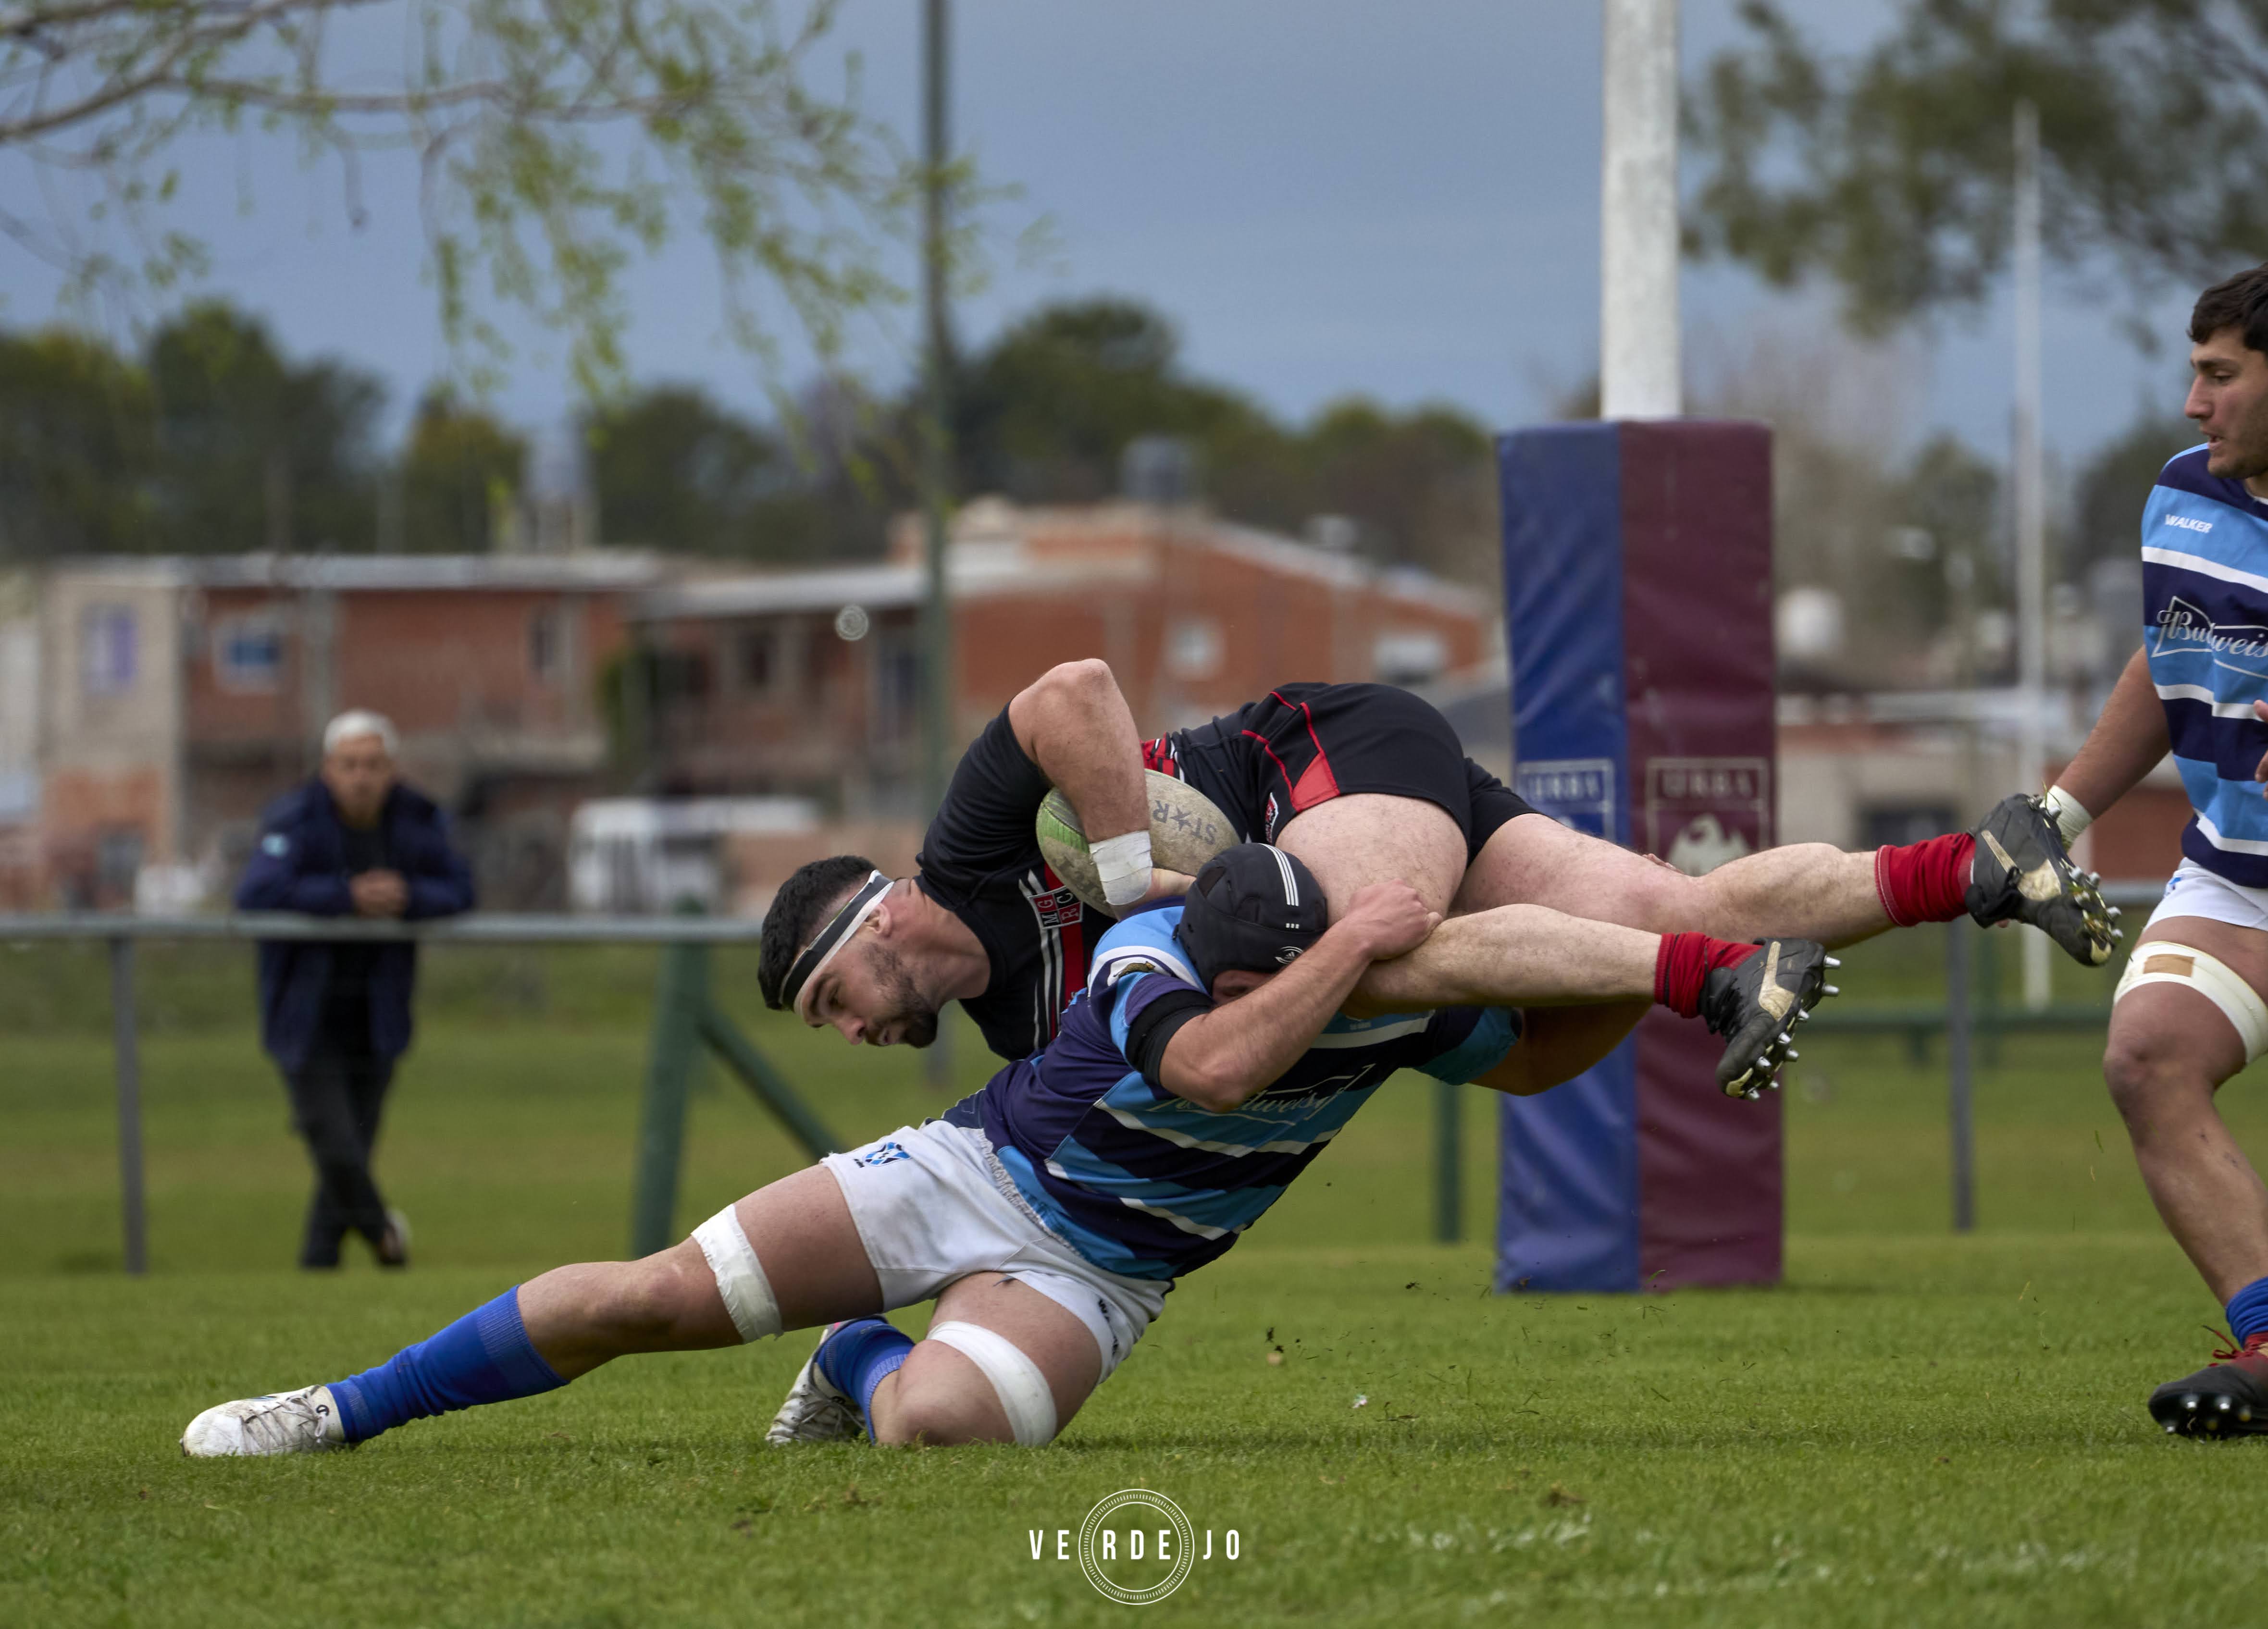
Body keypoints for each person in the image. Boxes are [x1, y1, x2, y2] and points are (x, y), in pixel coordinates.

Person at [179, 844, 1769, 1456]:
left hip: (1103, 1277)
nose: (1268, 995)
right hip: (966, 1177)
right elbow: (1217, 1069)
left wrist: (1674, 969)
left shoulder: (1369, 989)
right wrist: (1351, 946)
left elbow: (1527, 1025)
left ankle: (860, 1356)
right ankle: (338, 1409)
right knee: (649, 1298)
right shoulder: (1149, 959)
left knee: (936, 1426)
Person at [758, 663, 2113, 1079]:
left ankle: (1719, 979)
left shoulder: (964, 851)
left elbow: (1073, 694)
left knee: (1353, 937)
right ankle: (1981, 862)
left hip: (1317, 756)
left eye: (832, 999)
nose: (853, 1030)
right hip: (1357, 827)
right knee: (1631, 945)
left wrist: (1120, 871)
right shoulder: (1015, 1026)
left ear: (872, 921)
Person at [2009, 261, 2268, 1436]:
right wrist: (2057, 817)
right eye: (2193, 372)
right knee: (2150, 1053)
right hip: (2237, 873)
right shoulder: (2183, 494)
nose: (2192, 401)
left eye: (2220, 374)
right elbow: (2172, 654)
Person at [235, 710, 474, 1270]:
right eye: (349, 765)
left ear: (392, 769)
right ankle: (385, 1239)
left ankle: (318, 1265)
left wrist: (408, 896)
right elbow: (256, 892)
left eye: (372, 765)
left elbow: (461, 889)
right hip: (304, 1012)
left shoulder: (417, 819)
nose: (361, 777)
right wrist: (346, 897)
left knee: (353, 1149)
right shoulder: (293, 819)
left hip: (379, 1010)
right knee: (334, 1142)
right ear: (328, 769)